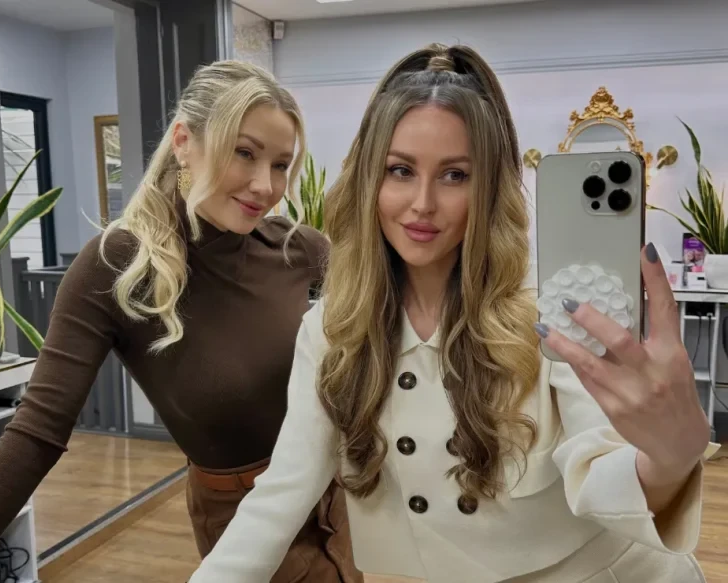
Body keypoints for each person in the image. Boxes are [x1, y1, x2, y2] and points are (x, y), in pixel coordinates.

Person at [187, 44, 717, 583]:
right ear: (370, 178)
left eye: (455, 175)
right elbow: (284, 492)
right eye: (400, 170)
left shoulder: (549, 314)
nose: (422, 203)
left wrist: (669, 459)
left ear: (488, 188)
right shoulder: (333, 331)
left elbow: (602, 475)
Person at [0, 61, 362, 583]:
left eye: (281, 164)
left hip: (331, 499)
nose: (265, 186)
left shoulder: (297, 248)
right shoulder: (115, 265)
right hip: (245, 520)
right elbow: (35, 434)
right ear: (183, 142)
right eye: (244, 152)